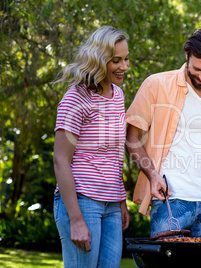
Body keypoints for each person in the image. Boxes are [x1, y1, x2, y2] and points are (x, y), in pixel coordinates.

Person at [125, 26, 201, 239]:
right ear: (187, 55)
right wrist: (152, 174)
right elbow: (132, 137)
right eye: (197, 69)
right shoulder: (156, 84)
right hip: (170, 200)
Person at [53, 26, 130, 268]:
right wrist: (75, 219)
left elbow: (115, 154)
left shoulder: (118, 95)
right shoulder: (77, 97)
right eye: (115, 60)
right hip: (82, 200)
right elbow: (60, 160)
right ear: (98, 59)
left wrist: (121, 200)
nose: (124, 67)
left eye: (126, 59)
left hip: (112, 204)